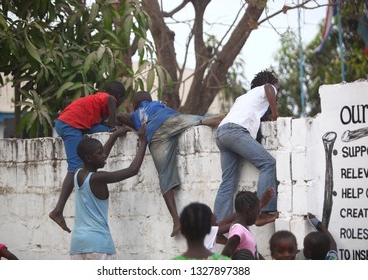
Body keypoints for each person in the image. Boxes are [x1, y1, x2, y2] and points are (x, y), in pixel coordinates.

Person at [117, 91, 224, 237]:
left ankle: (176, 220)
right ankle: (224, 118)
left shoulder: (137, 115)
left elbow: (120, 116)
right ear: (149, 100)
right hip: (169, 119)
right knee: (200, 120)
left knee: (164, 175)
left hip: (153, 134)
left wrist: (133, 118)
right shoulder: (157, 104)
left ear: (135, 105)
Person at [49, 81, 126, 233]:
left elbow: (102, 123)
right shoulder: (107, 98)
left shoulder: (98, 101)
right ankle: (58, 210)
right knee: (75, 167)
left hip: (80, 124)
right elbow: (111, 100)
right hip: (69, 124)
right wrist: (112, 125)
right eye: (120, 101)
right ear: (118, 97)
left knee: (105, 129)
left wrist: (113, 127)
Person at [69, 125, 147, 260]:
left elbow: (96, 159)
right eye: (100, 153)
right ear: (88, 158)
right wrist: (143, 142)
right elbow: (132, 170)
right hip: (98, 245)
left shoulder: (78, 174)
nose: (104, 155)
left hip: (77, 245)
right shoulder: (98, 178)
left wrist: (114, 136)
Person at [214, 70, 280, 226]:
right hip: (235, 131)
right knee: (268, 163)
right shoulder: (267, 88)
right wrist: (276, 113)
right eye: (278, 90)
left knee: (228, 182)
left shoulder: (242, 98)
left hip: (221, 134)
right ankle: (263, 213)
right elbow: (269, 89)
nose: (278, 95)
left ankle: (218, 227)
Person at [221, 191, 263, 259]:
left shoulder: (244, 228)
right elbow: (223, 258)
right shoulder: (238, 231)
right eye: (257, 213)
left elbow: (254, 252)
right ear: (248, 209)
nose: (258, 217)